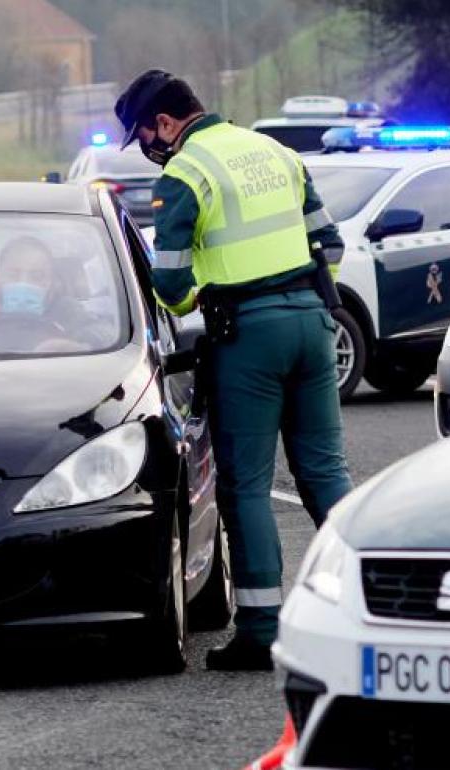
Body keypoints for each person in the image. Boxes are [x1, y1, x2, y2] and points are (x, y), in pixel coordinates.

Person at [115, 69, 353, 671]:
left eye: (145, 136)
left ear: (166, 123)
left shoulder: (185, 174)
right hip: (313, 321)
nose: (149, 148)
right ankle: (366, 603)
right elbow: (330, 245)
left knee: (245, 484)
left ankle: (261, 629)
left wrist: (192, 299)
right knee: (325, 473)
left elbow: (168, 281)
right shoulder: (275, 152)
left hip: (248, 334)